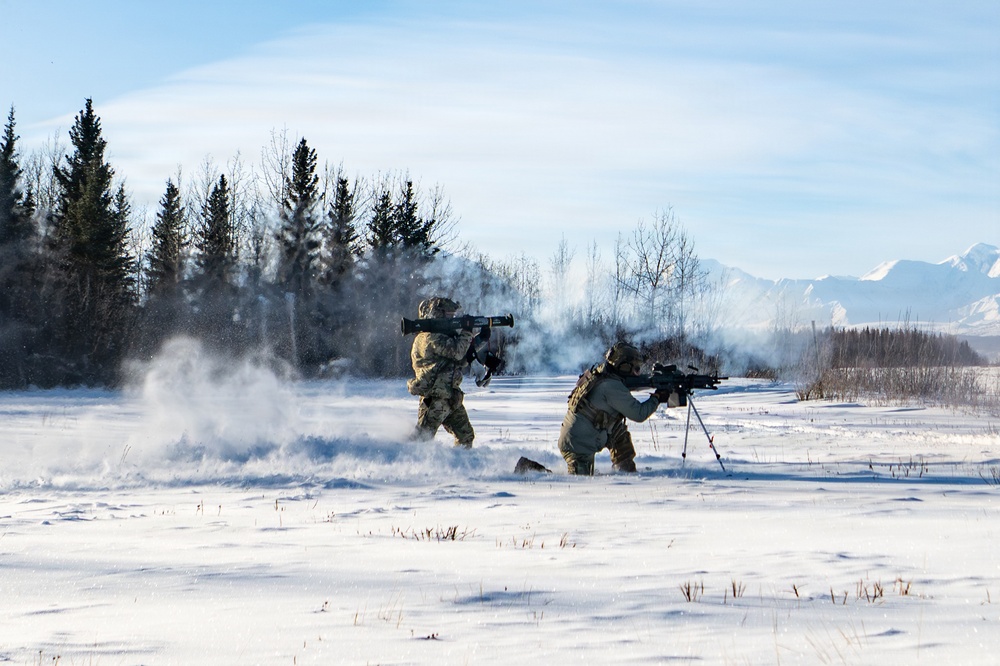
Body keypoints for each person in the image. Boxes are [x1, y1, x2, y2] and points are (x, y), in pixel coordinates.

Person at [558, 342, 675, 475]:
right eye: (636, 369)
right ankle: (533, 470)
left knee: (619, 433)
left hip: (584, 434)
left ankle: (625, 471)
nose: (638, 373)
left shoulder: (601, 374)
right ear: (624, 367)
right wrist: (657, 398)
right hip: (579, 445)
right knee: (581, 482)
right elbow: (639, 414)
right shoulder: (611, 386)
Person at [407, 297, 489, 448]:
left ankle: (458, 466)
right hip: (435, 399)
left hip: (451, 398)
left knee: (466, 437)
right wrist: (467, 331)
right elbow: (457, 351)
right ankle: (404, 463)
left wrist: (481, 339)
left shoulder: (443, 337)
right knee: (421, 441)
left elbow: (460, 359)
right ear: (437, 314)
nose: (452, 319)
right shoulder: (428, 337)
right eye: (448, 315)